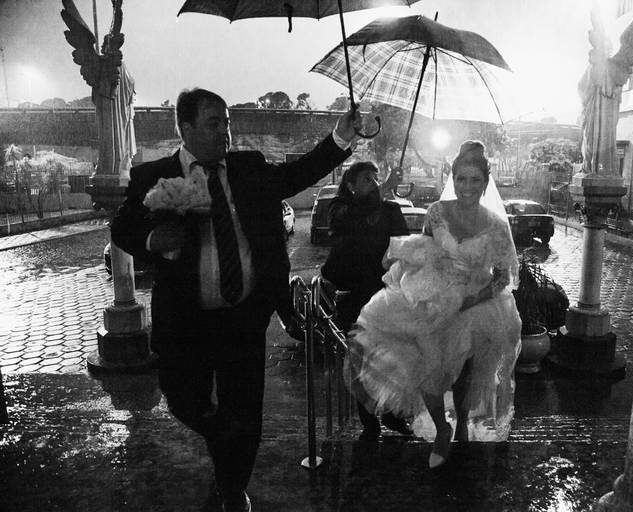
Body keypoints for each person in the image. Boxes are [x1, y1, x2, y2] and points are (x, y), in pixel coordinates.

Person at [110, 88, 360, 512]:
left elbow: (299, 173)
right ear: (185, 128)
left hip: (244, 317)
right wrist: (153, 238)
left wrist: (340, 137)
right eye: (214, 123)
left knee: (246, 414)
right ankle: (220, 429)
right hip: (185, 321)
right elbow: (123, 228)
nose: (225, 133)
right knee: (182, 396)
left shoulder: (249, 168)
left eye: (227, 123)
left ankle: (231, 486)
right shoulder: (154, 175)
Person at [345, 141, 522, 469]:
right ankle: (443, 428)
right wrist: (414, 267)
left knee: (465, 373)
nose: (467, 186)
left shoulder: (496, 225)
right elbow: (425, 249)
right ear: (452, 179)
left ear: (486, 182)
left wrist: (471, 300)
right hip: (436, 294)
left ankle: (463, 425)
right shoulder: (437, 211)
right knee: (428, 365)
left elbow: (502, 278)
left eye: (475, 180)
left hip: (478, 301)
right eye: (461, 178)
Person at [320, 161, 413, 441]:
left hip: (385, 294)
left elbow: (402, 248)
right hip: (354, 295)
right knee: (361, 362)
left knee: (392, 358)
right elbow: (350, 221)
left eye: (376, 178)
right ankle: (369, 421)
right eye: (367, 179)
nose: (374, 183)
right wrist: (384, 188)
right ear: (351, 186)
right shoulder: (339, 208)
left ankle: (393, 413)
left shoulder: (390, 210)